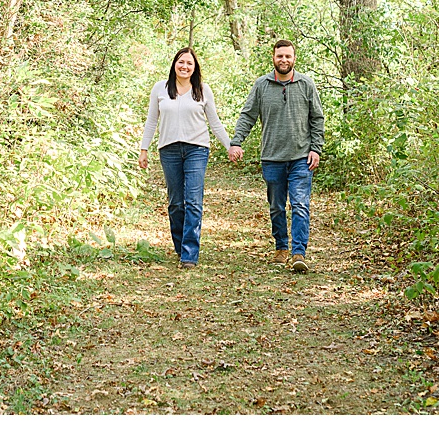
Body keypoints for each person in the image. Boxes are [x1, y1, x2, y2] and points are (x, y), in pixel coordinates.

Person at [227, 40, 324, 273]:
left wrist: (316, 148)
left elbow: (317, 118)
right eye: (280, 56)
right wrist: (236, 141)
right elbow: (248, 116)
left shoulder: (306, 84)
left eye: (288, 56)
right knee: (277, 206)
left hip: (301, 157)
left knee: (300, 204)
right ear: (273, 57)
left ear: (294, 58)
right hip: (271, 157)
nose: (284, 60)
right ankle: (281, 247)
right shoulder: (262, 85)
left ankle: (298, 252)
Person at [138, 47, 232, 268]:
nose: (184, 66)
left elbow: (215, 123)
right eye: (181, 62)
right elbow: (152, 121)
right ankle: (180, 247)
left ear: (195, 67)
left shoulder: (202, 90)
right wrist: (144, 149)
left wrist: (230, 146)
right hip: (168, 150)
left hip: (196, 150)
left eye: (189, 63)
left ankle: (190, 254)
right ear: (174, 64)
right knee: (176, 203)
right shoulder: (160, 89)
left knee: (193, 201)